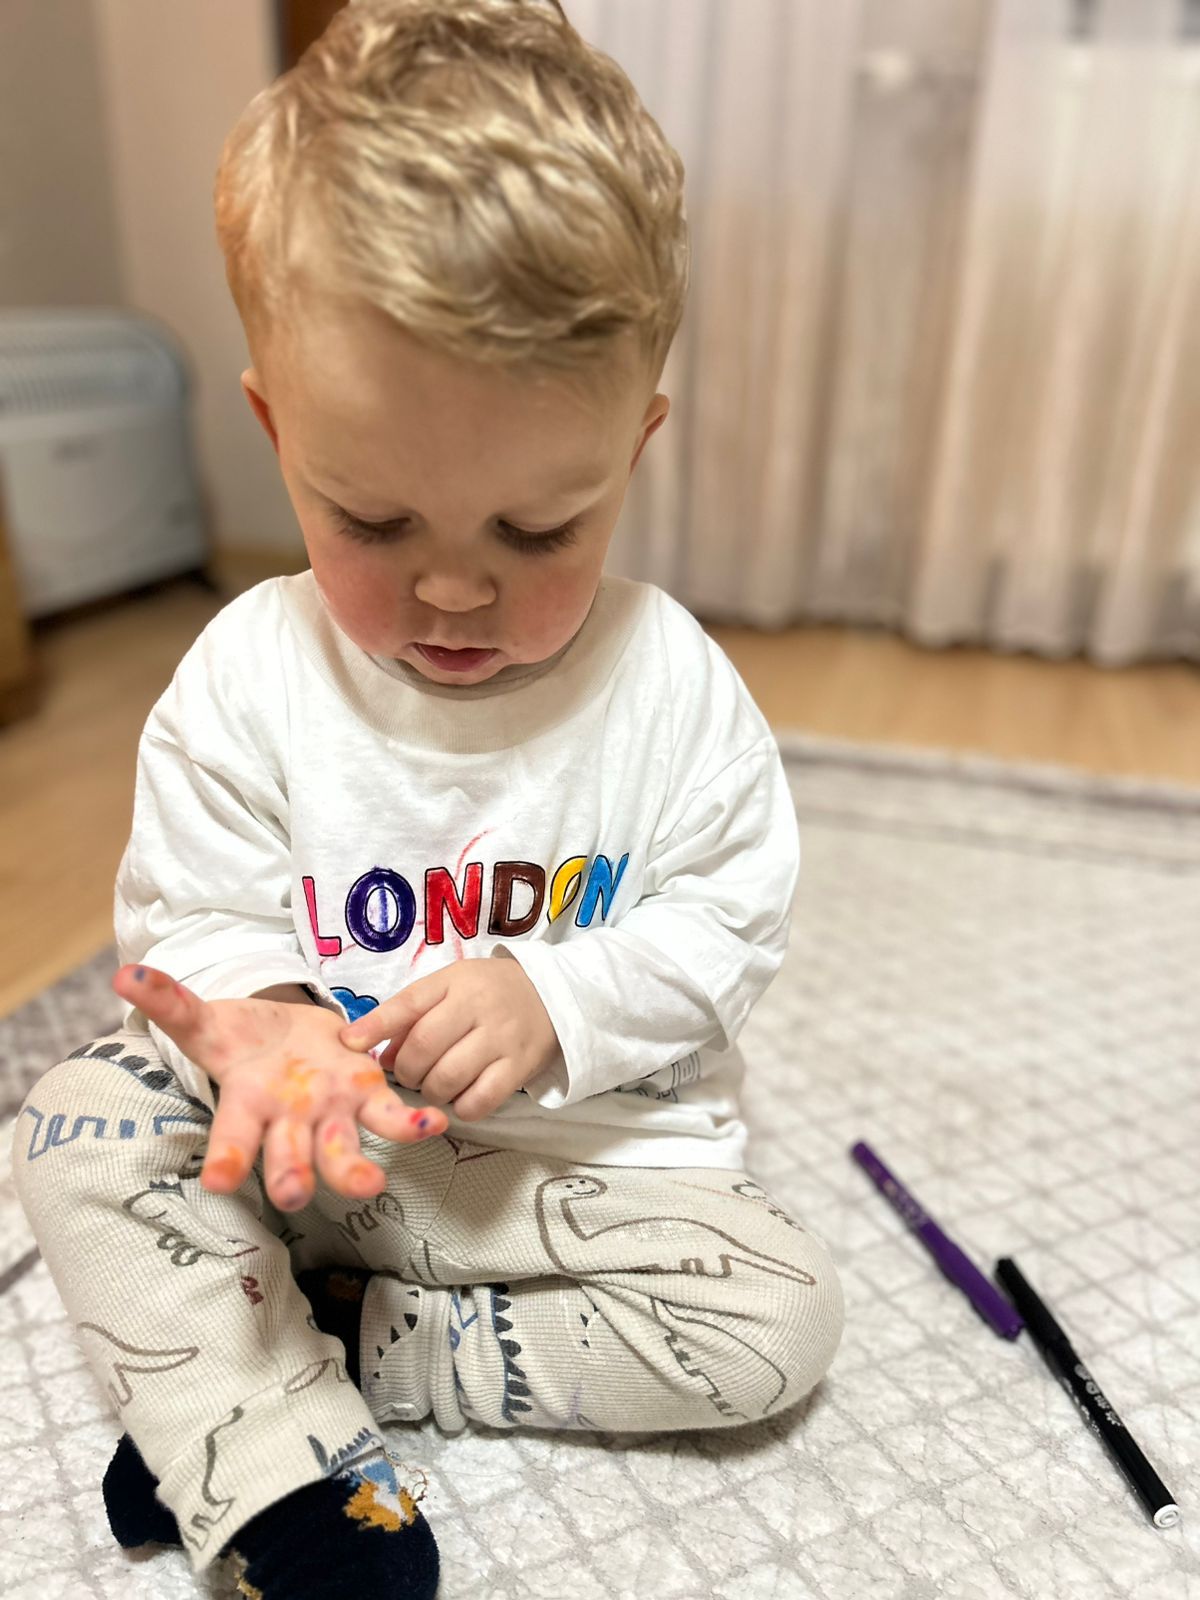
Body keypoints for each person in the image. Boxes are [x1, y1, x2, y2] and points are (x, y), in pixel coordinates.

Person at [14, 2, 844, 1594]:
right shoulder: (247, 673)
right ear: (276, 433)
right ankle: (264, 1459)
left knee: (780, 1323)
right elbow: (193, 910)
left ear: (634, 448)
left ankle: (331, 1360)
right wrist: (261, 1017)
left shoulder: (671, 684)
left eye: (542, 530)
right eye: (372, 515)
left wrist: (565, 989)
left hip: (564, 1176)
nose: (453, 591)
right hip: (308, 1157)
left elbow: (733, 917)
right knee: (71, 1117)